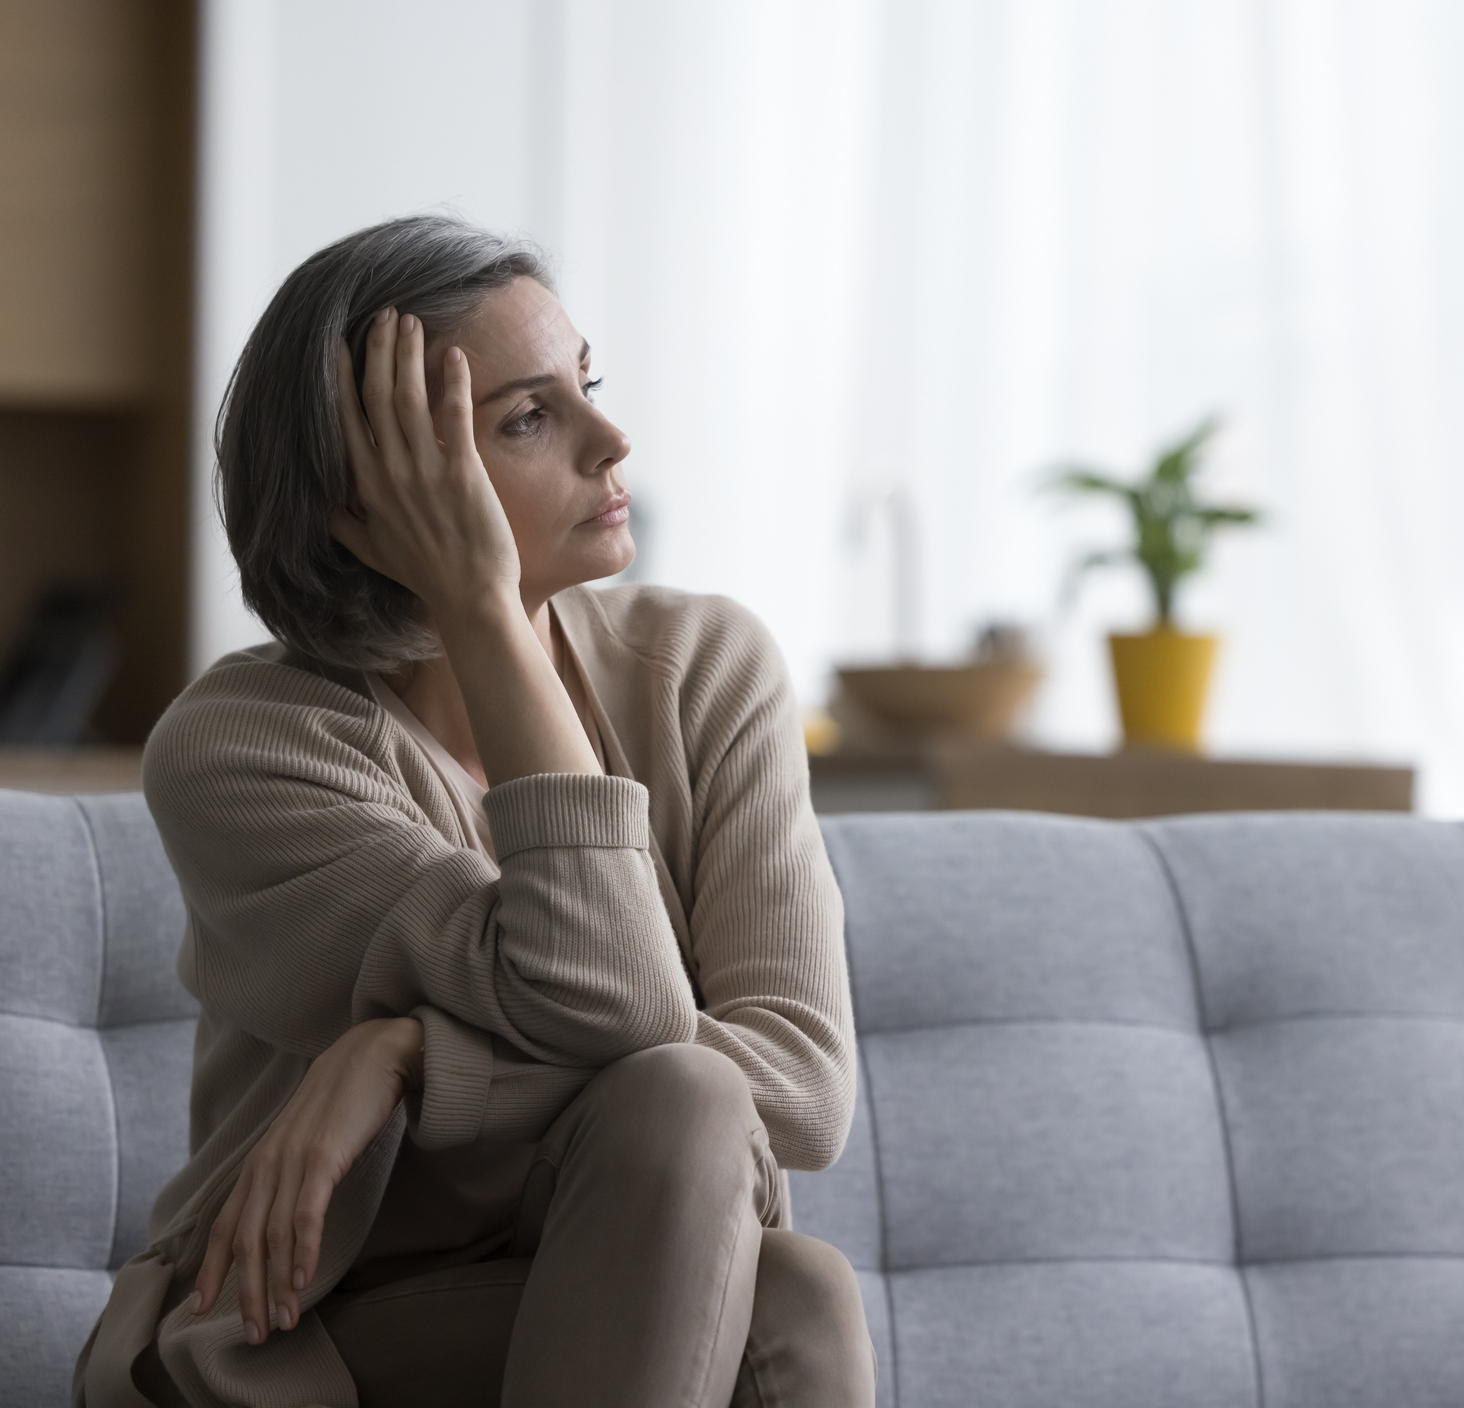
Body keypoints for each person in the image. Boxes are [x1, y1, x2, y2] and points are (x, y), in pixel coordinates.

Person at [72, 216, 874, 1408]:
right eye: (528, 418)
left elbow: (804, 1092)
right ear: (369, 495)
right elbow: (619, 993)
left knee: (790, 1281)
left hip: (626, 1292)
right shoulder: (243, 745)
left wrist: (407, 1053)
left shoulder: (705, 667)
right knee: (705, 1109)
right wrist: (487, 612)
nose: (614, 439)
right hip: (311, 1337)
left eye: (587, 384)